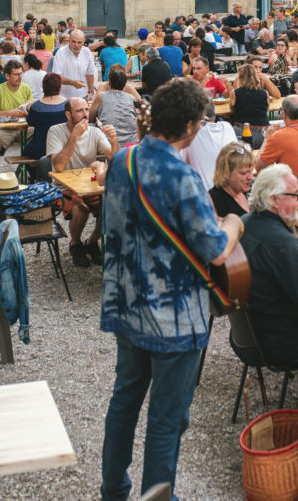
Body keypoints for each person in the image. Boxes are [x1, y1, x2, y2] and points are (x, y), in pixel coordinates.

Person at [100, 78, 244, 501]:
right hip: (174, 317)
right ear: (188, 125)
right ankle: (157, 497)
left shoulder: (122, 160)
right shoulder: (183, 176)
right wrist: (233, 223)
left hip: (128, 302)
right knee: (166, 418)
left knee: (124, 402)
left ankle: (114, 490)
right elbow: (216, 250)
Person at [238, 163, 298, 398]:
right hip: (285, 341)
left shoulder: (246, 222)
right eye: (296, 195)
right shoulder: (281, 243)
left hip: (253, 335)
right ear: (274, 201)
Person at [45, 97, 120, 267]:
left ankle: (92, 242)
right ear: (68, 114)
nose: (85, 114)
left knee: (112, 207)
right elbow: (58, 166)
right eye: (79, 111)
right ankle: (76, 244)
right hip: (63, 186)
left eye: (87, 110)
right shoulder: (55, 131)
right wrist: (74, 136)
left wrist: (114, 140)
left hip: (90, 185)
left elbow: (115, 158)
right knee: (81, 210)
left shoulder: (95, 132)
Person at [0, 60, 32, 185]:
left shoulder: (25, 87)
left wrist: (28, 110)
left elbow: (30, 108)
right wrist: (10, 113)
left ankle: (35, 175)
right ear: (7, 76)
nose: (20, 77)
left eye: (21, 74)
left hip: (24, 127)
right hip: (5, 128)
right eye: (16, 74)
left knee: (40, 139)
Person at [181, 101, 238, 191]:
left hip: (204, 196)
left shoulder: (191, 133)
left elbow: (180, 165)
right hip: (230, 194)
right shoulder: (227, 127)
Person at [22, 72, 68, 161]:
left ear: (43, 87)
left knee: (26, 152)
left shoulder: (36, 106)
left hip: (41, 149)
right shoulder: (68, 104)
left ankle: (35, 174)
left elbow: (30, 121)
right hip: (63, 147)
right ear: (60, 87)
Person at [90, 66, 138, 146]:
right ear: (125, 83)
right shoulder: (131, 98)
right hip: (132, 141)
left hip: (109, 142)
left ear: (109, 82)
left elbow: (91, 118)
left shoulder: (101, 96)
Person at [228, 64, 271, 149]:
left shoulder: (235, 93)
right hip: (262, 134)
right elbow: (267, 109)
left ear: (240, 77)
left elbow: (232, 110)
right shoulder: (264, 93)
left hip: (242, 132)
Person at [50, 29, 97, 99]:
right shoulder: (61, 53)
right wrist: (72, 83)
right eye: (73, 42)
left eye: (79, 42)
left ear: (84, 42)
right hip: (63, 97)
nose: (76, 45)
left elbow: (90, 74)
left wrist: (90, 91)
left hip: (82, 96)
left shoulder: (87, 52)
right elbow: (56, 77)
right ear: (69, 41)